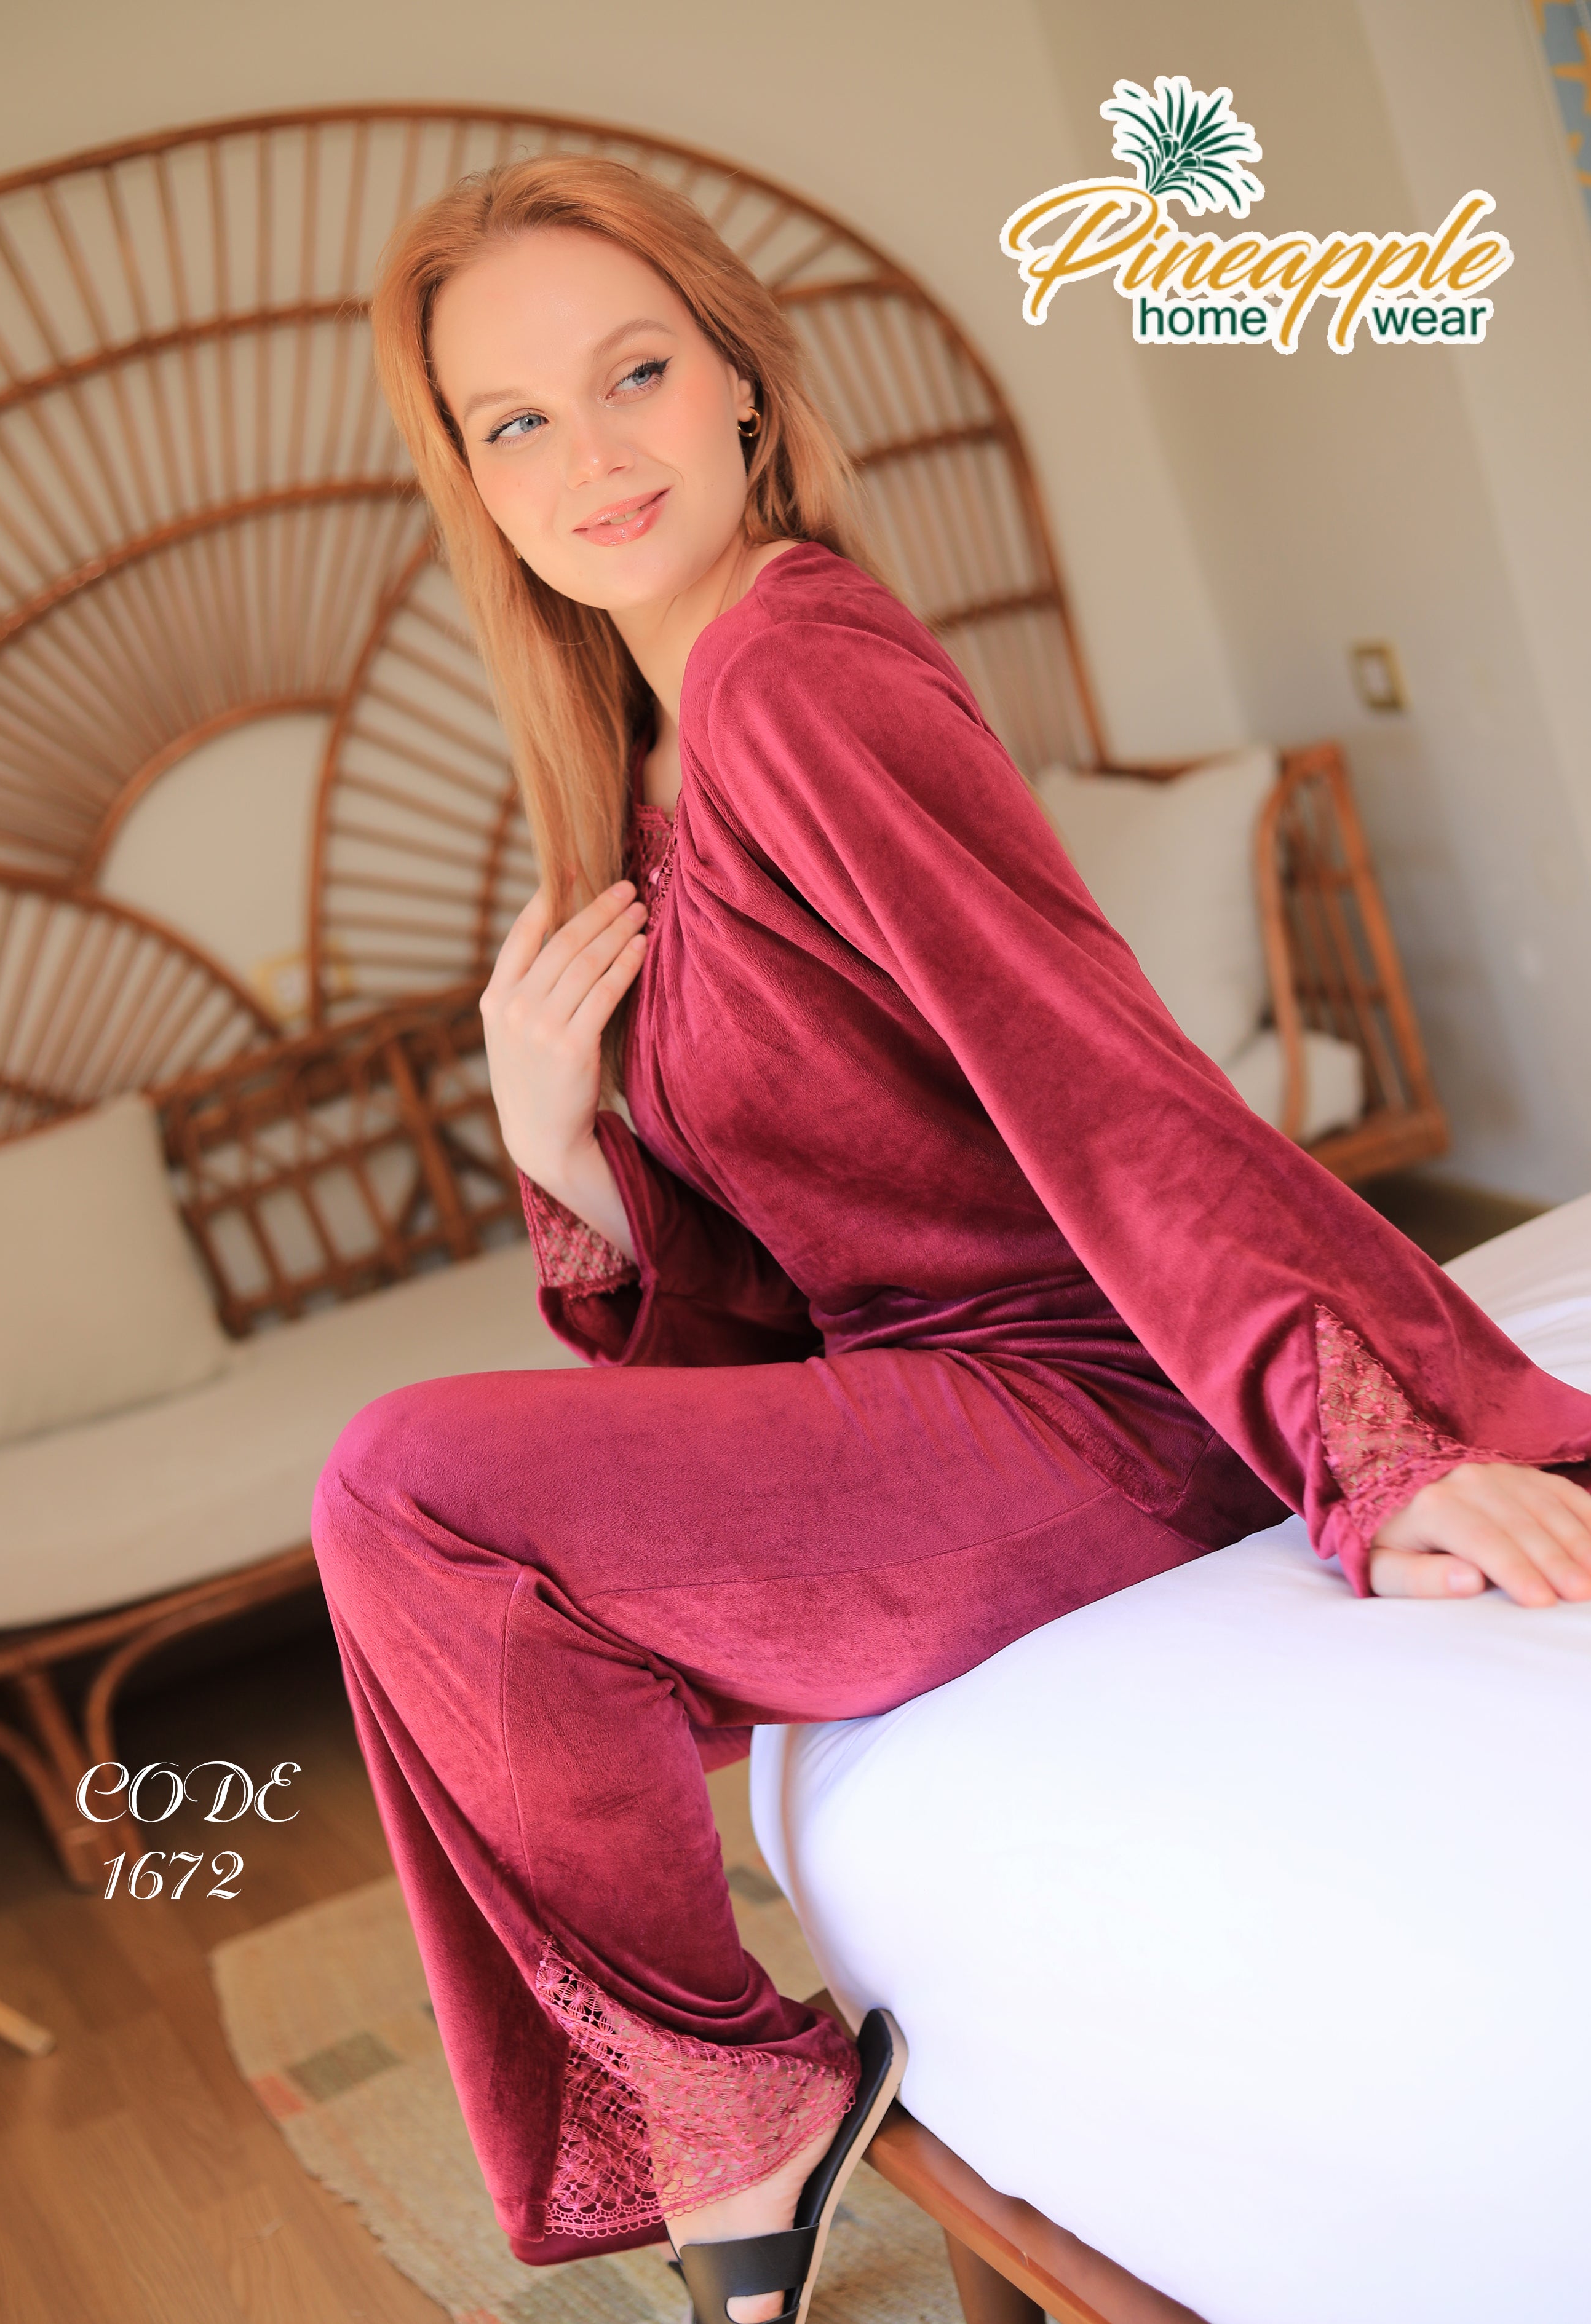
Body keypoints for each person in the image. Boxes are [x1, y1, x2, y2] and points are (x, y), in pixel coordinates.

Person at [311, 154, 1591, 2323]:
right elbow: (749, 1322)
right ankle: (734, 2109)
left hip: (1108, 1396)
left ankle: (738, 2111)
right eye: (515, 418)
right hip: (949, 1404)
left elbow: (1094, 1062)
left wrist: (1366, 1436)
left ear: (739, 380)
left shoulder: (795, 674)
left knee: (402, 1485)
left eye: (635, 373)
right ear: (471, 477)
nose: (591, 452)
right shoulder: (648, 768)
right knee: (432, 1529)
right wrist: (563, 1138)